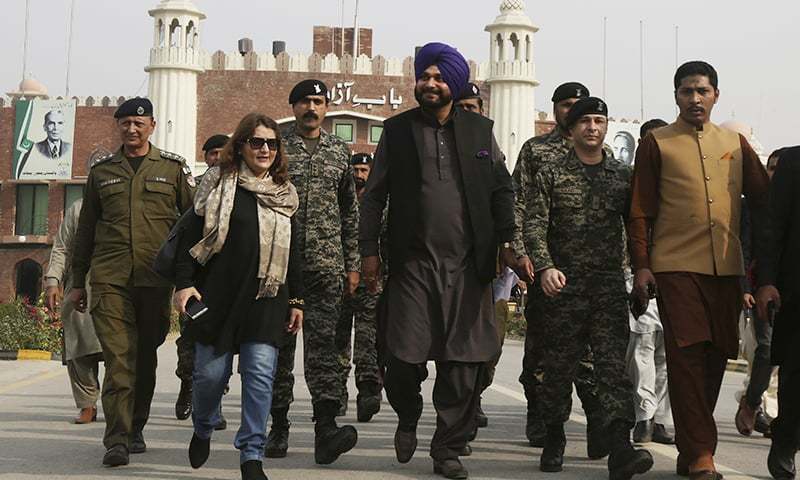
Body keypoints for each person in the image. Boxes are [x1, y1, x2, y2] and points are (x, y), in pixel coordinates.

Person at [359, 42, 518, 479]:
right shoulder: (397, 131)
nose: (430, 84)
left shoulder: (479, 130)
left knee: (464, 363)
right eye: (424, 76)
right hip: (414, 265)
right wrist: (369, 252)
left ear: (455, 83)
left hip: (470, 267)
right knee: (403, 357)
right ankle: (408, 416)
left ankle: (447, 449)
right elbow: (373, 198)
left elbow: (502, 190)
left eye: (438, 77)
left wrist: (509, 242)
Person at [629, 61, 769, 479]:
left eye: (703, 91)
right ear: (675, 96)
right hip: (675, 268)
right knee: (686, 355)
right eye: (687, 91)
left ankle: (692, 447)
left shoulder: (735, 143)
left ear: (716, 96)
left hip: (727, 270)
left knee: (715, 357)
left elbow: (765, 205)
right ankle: (702, 454)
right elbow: (639, 211)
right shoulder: (658, 142)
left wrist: (765, 268)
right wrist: (642, 266)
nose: (695, 98)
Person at [523, 96, 653, 477]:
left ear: (606, 126)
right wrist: (545, 267)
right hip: (563, 290)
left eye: (599, 120)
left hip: (609, 288)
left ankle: (619, 448)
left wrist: (641, 274)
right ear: (571, 128)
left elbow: (636, 229)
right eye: (585, 122)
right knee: (558, 370)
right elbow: (534, 224)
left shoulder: (621, 176)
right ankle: (553, 436)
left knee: (612, 370)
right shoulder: (552, 172)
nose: (592, 128)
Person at [173, 113, 303, 480]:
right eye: (257, 142)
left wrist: (297, 301)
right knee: (209, 378)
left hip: (267, 298)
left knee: (261, 376)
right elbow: (189, 237)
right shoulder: (217, 183)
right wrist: (184, 284)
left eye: (272, 144)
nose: (265, 149)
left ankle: (251, 456)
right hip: (216, 297)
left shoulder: (285, 194)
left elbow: (295, 251)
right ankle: (203, 426)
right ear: (242, 145)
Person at [68, 97, 195, 466]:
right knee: (119, 358)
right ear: (118, 126)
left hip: (154, 280)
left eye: (139, 123)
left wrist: (190, 278)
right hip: (109, 279)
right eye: (125, 123)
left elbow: (193, 224)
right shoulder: (102, 173)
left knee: (144, 357)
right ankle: (117, 439)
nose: (132, 129)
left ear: (152, 125)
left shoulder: (172, 170)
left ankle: (136, 425)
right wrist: (78, 281)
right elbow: (86, 231)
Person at [265, 79, 360, 464]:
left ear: (326, 108)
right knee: (278, 350)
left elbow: (349, 213)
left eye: (319, 102)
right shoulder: (274, 146)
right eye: (305, 101)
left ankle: (326, 431)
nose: (312, 108)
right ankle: (279, 427)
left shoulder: (339, 151)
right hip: (279, 265)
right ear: (293, 106)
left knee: (324, 352)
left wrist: (353, 263)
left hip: (325, 267)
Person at [512, 81, 606, 454]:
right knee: (540, 351)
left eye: (578, 105)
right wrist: (520, 253)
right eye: (565, 105)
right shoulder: (536, 151)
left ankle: (592, 424)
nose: (572, 111)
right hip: (544, 269)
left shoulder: (602, 153)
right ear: (554, 109)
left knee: (588, 355)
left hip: (589, 273)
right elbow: (518, 203)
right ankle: (542, 418)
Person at [455, 81, 515, 435]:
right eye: (460, 107)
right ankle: (458, 413)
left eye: (472, 108)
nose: (467, 114)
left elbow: (506, 199)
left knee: (488, 344)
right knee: (455, 345)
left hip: (490, 269)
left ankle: (474, 397)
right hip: (448, 265)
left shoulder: (490, 152)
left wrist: (510, 249)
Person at [175, 133, 231, 427]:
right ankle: (187, 385)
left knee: (220, 345)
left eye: (223, 153)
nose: (217, 159)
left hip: (223, 282)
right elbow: (181, 230)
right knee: (191, 340)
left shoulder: (237, 187)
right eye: (212, 154)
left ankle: (214, 404)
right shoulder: (193, 188)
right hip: (194, 282)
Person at [626, 118, 674, 445]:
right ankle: (644, 413)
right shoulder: (626, 184)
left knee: (667, 354)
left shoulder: (678, 184)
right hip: (636, 277)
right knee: (641, 347)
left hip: (673, 278)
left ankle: (659, 418)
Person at [755, 145, 800, 480]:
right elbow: (773, 228)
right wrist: (767, 281)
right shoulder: (793, 163)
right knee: (797, 376)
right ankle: (785, 440)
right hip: (797, 292)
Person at [735, 148, 785, 438]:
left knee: (783, 359)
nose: (775, 174)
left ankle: (777, 416)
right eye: (771, 167)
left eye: (781, 168)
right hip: (760, 291)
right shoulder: (753, 206)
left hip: (790, 291)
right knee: (766, 350)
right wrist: (744, 288)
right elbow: (743, 247)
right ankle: (753, 403)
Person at [44, 198, 104, 425]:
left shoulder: (128, 202)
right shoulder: (78, 208)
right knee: (78, 346)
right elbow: (61, 246)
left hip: (119, 282)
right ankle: (87, 404)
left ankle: (119, 405)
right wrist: (52, 280)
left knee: (119, 350)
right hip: (80, 282)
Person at [334, 152, 384, 423]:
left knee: (368, 339)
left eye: (365, 170)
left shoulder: (379, 202)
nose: (359, 175)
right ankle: (337, 393)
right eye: (356, 169)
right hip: (339, 279)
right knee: (338, 339)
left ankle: (367, 391)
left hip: (369, 281)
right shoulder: (339, 200)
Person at [18, 109, 73, 177]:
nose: (56, 128)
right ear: (45, 127)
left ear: (64, 127)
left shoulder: (69, 147)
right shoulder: (36, 147)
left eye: (60, 123)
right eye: (51, 123)